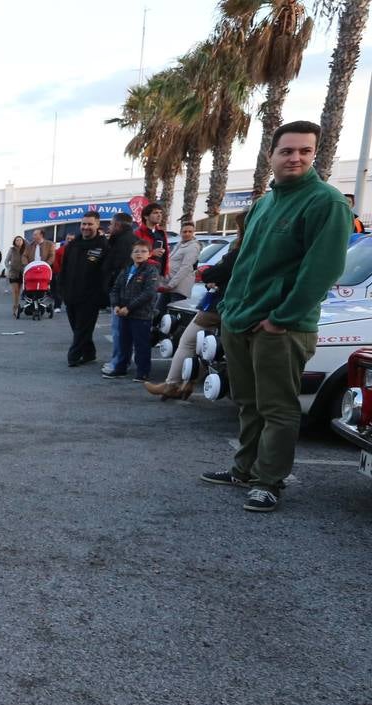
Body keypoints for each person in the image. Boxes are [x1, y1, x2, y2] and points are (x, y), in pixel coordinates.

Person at [201, 120, 351, 513]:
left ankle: (269, 481)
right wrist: (229, 309)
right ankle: (243, 470)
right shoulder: (265, 203)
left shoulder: (327, 202)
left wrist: (281, 318)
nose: (296, 158)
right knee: (248, 402)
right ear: (271, 156)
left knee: (278, 407)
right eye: (287, 151)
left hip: (280, 328)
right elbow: (243, 262)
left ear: (314, 154)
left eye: (304, 151)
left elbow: (322, 270)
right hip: (240, 320)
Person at [145, 213, 248, 400]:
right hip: (242, 307)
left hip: (220, 304)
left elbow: (216, 272)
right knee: (211, 347)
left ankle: (173, 384)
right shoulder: (264, 249)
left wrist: (212, 277)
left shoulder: (241, 250)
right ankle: (188, 384)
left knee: (190, 342)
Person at [59, 211, 110, 366]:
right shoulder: (73, 245)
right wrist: (62, 291)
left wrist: (102, 295)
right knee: (78, 327)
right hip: (71, 295)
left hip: (91, 297)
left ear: (97, 225)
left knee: (82, 327)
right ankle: (89, 353)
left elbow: (106, 272)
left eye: (90, 224)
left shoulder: (103, 245)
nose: (86, 227)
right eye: (84, 224)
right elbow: (64, 269)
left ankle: (73, 357)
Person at [102, 242, 159, 380]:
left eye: (143, 251)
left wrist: (129, 308)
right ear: (131, 254)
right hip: (122, 313)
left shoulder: (151, 271)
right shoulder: (127, 270)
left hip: (141, 315)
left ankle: (143, 372)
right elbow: (115, 288)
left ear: (149, 254)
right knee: (123, 343)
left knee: (141, 345)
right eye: (136, 251)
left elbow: (148, 293)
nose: (139, 254)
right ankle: (120, 368)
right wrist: (115, 305)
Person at [100, 213, 139, 375]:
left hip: (122, 294)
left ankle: (119, 363)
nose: (109, 227)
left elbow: (120, 269)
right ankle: (121, 360)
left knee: (119, 330)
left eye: (111, 224)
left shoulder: (124, 242)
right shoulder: (125, 240)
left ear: (118, 225)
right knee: (121, 330)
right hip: (123, 292)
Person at [159, 221, 200, 308]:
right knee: (159, 311)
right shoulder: (180, 244)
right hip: (169, 284)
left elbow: (185, 268)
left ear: (193, 233)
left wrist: (171, 285)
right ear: (181, 232)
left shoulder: (193, 247)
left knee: (173, 314)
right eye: (185, 231)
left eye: (190, 232)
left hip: (179, 287)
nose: (187, 234)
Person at [135, 202, 170, 275]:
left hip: (159, 272)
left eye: (160, 213)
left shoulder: (161, 233)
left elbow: (166, 254)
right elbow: (134, 254)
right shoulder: (138, 233)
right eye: (155, 213)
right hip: (142, 273)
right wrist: (151, 253)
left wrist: (165, 272)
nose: (159, 215)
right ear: (146, 216)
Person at [5, 235, 27, 315]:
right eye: (17, 240)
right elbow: (6, 261)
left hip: (22, 272)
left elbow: (28, 259)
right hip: (13, 273)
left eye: (20, 240)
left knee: (19, 291)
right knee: (15, 291)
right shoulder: (12, 250)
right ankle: (15, 307)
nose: (19, 241)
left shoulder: (25, 249)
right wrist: (9, 268)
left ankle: (18, 306)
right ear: (15, 242)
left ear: (23, 241)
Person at [51, 234, 72, 311]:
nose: (69, 240)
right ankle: (57, 306)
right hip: (61, 273)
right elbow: (56, 263)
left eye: (71, 239)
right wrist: (58, 273)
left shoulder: (78, 250)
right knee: (58, 290)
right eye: (68, 238)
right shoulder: (60, 250)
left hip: (73, 274)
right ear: (65, 239)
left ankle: (69, 306)